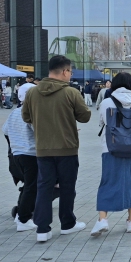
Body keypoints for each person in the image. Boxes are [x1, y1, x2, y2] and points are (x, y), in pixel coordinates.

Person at [22, 55, 91, 242]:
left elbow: (26, 117)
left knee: (44, 187)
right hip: (67, 148)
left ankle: (42, 229)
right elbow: (85, 117)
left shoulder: (32, 92)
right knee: (67, 187)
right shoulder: (71, 92)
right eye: (71, 72)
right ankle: (67, 224)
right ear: (65, 71)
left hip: (43, 148)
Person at [90, 73, 131, 237]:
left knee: (108, 183)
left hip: (110, 149)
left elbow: (102, 122)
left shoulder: (107, 103)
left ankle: (103, 219)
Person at [2, 83, 38, 231]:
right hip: (31, 154)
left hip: (16, 154)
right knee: (32, 186)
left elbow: (5, 131)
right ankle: (23, 219)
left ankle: (20, 214)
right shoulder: (31, 112)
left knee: (29, 185)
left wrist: (15, 142)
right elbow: (38, 132)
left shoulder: (15, 112)